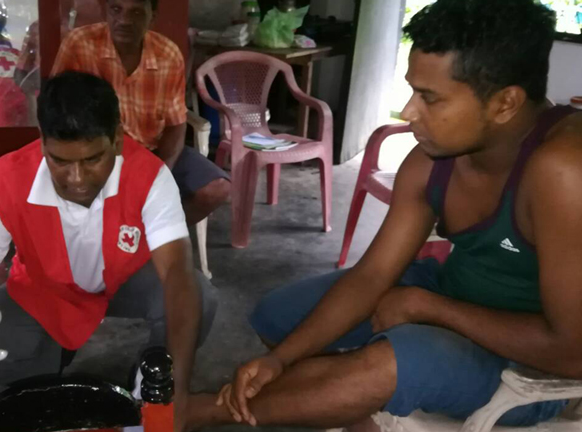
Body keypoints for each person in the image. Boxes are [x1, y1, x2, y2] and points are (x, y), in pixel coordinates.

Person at [186, 0, 582, 429]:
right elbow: (373, 276)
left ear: (505, 103)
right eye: (412, 90)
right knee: (281, 316)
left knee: (398, 358)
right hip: (453, 295)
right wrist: (279, 359)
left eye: (429, 97)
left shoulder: (565, 170)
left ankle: (196, 413)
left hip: (534, 367)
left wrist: (432, 309)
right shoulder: (431, 161)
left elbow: (572, 352)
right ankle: (347, 398)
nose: (409, 112)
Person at [0, 72, 217, 432]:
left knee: (199, 296)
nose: (76, 179)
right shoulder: (5, 180)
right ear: (42, 140)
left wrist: (175, 390)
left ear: (117, 140)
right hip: (44, 288)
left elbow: (177, 274)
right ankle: (53, 358)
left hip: (126, 278)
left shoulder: (149, 176)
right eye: (59, 160)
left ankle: (149, 383)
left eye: (92, 159)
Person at [51, 0, 231, 226]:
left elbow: (176, 123)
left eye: (136, 12)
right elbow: (55, 108)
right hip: (96, 152)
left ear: (151, 17)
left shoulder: (167, 54)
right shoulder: (79, 44)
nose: (125, 20)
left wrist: (159, 174)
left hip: (152, 150)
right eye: (116, 10)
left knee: (216, 189)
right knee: (82, 198)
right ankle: (120, 236)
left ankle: (145, 236)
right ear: (105, 11)